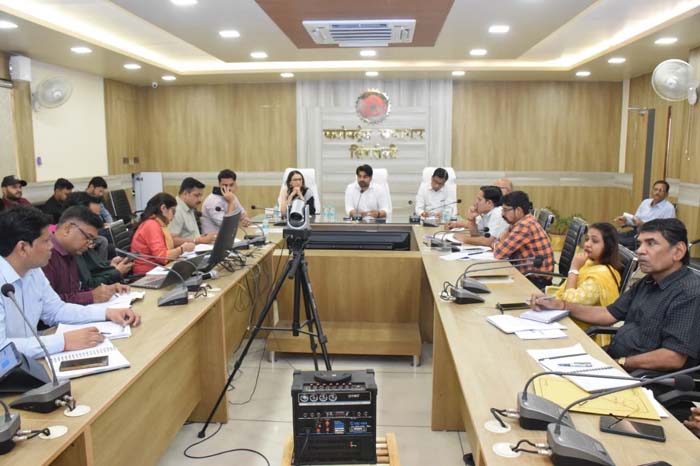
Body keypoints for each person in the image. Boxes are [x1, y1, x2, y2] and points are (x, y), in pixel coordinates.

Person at [532, 219, 700, 372]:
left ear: (678, 251)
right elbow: (608, 314)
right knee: (544, 362)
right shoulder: (649, 280)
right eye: (640, 244)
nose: (640, 251)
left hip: (643, 375)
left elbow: (673, 357)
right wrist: (561, 305)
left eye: (651, 243)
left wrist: (620, 362)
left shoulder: (689, 292)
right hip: (616, 358)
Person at [0, 206, 140, 358]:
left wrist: (107, 313)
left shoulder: (33, 271)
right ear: (22, 248)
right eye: (46, 241)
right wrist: (63, 342)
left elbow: (57, 310)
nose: (51, 246)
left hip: (31, 361)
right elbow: (2, 347)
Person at [533, 223, 622, 340]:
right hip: (568, 322)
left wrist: (574, 269)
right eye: (587, 239)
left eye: (595, 241)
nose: (587, 244)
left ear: (608, 247)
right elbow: (566, 295)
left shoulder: (600, 276)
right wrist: (548, 298)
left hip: (584, 334)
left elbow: (568, 302)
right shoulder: (590, 263)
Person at [42, 206, 129, 305]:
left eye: (92, 240)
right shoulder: (45, 255)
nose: (89, 244)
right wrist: (91, 296)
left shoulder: (71, 251)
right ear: (67, 229)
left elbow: (74, 292)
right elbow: (48, 304)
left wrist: (108, 290)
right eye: (88, 237)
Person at [65, 192, 132, 288]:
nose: (98, 221)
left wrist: (110, 265)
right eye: (93, 216)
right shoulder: (72, 248)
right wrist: (116, 272)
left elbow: (94, 269)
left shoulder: (83, 240)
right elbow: (88, 285)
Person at [492, 190, 555, 287]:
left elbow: (499, 253)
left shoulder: (525, 226)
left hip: (535, 280)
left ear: (518, 210)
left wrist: (497, 242)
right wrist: (499, 242)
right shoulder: (522, 222)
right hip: (528, 275)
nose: (502, 214)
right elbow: (500, 243)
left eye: (505, 210)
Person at [130, 193, 195, 275]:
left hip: (157, 270)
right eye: (173, 212)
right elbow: (162, 257)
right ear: (163, 208)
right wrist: (182, 249)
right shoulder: (151, 225)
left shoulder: (157, 223)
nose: (173, 217)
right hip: (146, 275)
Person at [615, 180, 675, 249]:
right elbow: (636, 220)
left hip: (650, 238)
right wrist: (626, 220)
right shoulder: (645, 202)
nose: (657, 192)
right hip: (636, 233)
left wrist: (644, 224)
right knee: (613, 237)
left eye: (661, 191)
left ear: (666, 194)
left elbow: (666, 231)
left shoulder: (669, 208)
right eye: (655, 189)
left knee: (618, 242)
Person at [169, 177, 217, 246]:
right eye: (197, 195)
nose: (200, 200)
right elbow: (171, 240)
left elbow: (189, 235)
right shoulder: (176, 210)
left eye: (201, 195)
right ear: (185, 194)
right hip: (186, 252)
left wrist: (205, 237)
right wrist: (198, 241)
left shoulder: (189, 207)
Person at [201, 169, 250, 233]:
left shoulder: (231, 196)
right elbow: (226, 225)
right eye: (225, 185)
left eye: (231, 185)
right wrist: (231, 202)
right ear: (219, 184)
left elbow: (242, 214)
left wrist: (245, 219)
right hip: (214, 237)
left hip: (228, 235)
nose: (228, 188)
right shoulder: (213, 201)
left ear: (235, 184)